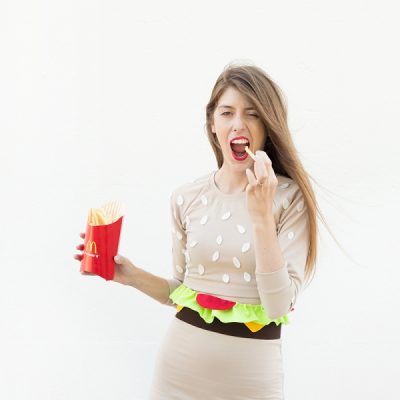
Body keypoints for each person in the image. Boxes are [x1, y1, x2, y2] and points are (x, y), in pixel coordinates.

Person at [74, 62, 318, 399]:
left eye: (253, 114)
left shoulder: (289, 199)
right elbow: (181, 291)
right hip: (179, 370)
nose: (238, 124)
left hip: (252, 379)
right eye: (227, 113)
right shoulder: (186, 197)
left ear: (267, 126)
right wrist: (129, 275)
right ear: (212, 124)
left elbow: (278, 305)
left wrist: (260, 215)